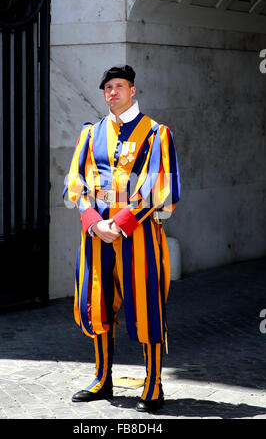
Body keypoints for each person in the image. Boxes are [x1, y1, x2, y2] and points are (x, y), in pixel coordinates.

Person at [63, 65, 181, 412]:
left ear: (133, 90)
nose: (112, 92)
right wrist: (92, 220)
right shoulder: (91, 133)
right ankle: (102, 378)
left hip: (139, 235)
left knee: (147, 308)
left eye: (119, 86)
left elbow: (160, 184)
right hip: (97, 235)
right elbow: (75, 180)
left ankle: (154, 384)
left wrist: (123, 221)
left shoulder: (156, 133)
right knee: (96, 304)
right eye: (107, 88)